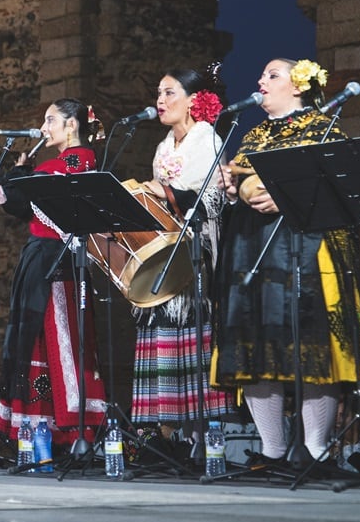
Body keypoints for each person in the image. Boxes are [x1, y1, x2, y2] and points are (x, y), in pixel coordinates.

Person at [212, 59, 360, 464]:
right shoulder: (254, 134)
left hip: (306, 247)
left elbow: (340, 189)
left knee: (311, 344)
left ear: (298, 87)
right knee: (257, 346)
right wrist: (234, 190)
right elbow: (245, 182)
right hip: (254, 248)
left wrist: (282, 194)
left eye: (272, 75)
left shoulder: (322, 128)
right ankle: (271, 448)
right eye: (261, 74)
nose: (261, 81)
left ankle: (316, 448)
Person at [131, 68, 233, 444]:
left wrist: (167, 193)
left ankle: (199, 437)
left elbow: (213, 198)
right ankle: (164, 432)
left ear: (193, 100)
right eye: (158, 93)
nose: (160, 100)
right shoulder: (163, 146)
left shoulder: (206, 139)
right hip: (163, 251)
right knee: (161, 339)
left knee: (189, 338)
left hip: (193, 258)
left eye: (169, 93)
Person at [0, 99, 106, 446]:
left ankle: (72, 427)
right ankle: (39, 425)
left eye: (51, 120)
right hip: (41, 260)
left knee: (62, 341)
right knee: (36, 343)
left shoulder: (78, 158)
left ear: (72, 124)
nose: (44, 128)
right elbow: (18, 202)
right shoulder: (51, 165)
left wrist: (24, 176)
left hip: (60, 263)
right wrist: (20, 173)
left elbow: (45, 187)